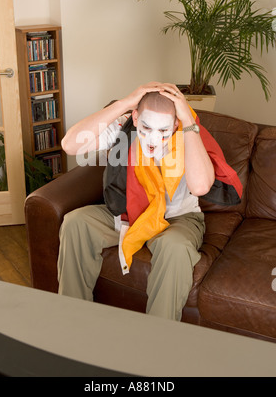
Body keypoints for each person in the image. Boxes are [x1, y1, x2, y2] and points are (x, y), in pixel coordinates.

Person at [57, 82, 240, 321]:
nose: (154, 139)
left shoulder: (187, 134)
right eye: (146, 127)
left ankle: (156, 340)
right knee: (75, 223)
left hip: (177, 218)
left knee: (175, 248)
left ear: (175, 124)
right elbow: (69, 145)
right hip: (129, 213)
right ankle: (72, 320)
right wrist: (124, 103)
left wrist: (188, 123)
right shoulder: (124, 128)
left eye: (163, 131)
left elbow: (201, 187)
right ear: (135, 117)